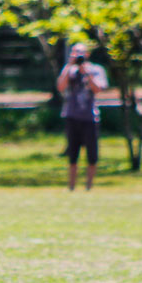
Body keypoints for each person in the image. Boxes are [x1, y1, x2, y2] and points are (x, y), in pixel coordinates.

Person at [56, 42, 108, 191]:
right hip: (72, 116)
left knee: (92, 155)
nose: (77, 56)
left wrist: (86, 73)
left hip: (90, 117)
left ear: (87, 54)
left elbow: (98, 89)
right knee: (73, 154)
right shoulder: (69, 70)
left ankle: (89, 187)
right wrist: (69, 66)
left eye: (80, 53)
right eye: (74, 53)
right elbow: (60, 87)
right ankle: (71, 187)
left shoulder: (96, 70)